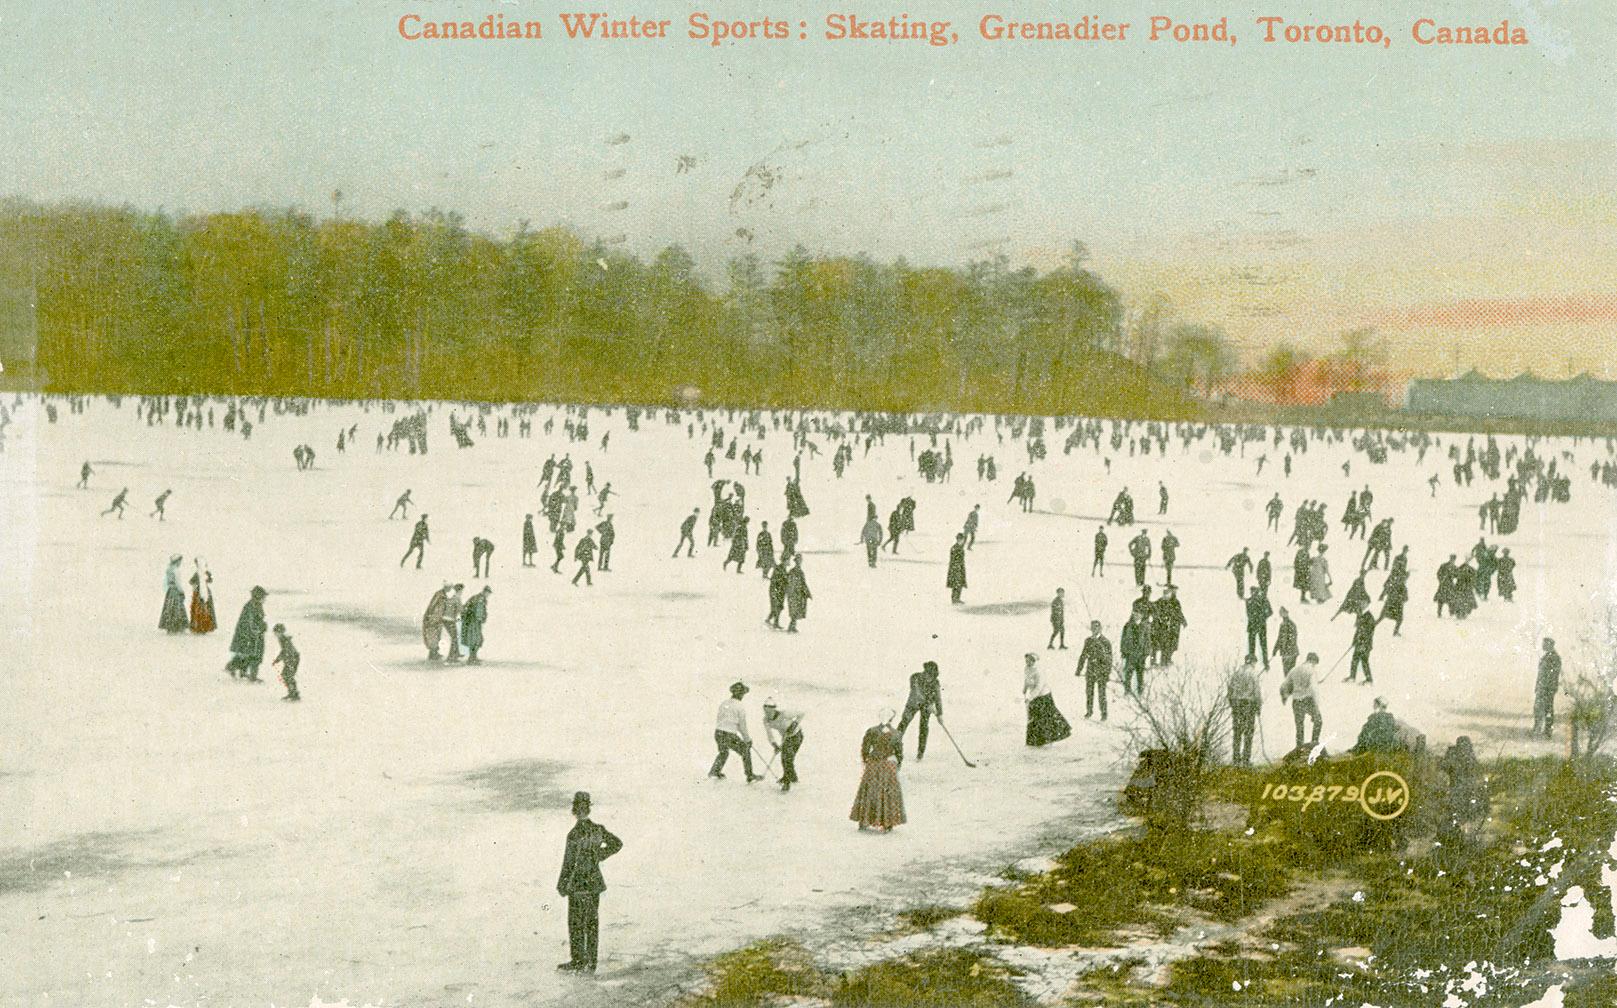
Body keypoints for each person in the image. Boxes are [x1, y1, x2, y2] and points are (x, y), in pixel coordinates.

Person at [556, 791, 623, 975]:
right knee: (592, 923)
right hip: (594, 883)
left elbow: (568, 863)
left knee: (576, 923)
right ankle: (591, 963)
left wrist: (561, 885)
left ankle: (578, 960)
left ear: (575, 810)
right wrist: (599, 856)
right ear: (588, 809)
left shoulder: (574, 834)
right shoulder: (598, 829)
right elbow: (617, 844)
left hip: (577, 885)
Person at [850, 712, 905, 832]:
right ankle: (887, 823)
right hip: (887, 766)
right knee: (887, 794)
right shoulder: (896, 733)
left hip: (874, 764)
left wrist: (866, 760)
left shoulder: (872, 731)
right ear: (892, 719)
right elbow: (899, 753)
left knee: (869, 792)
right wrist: (897, 765)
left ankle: (864, 820)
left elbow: (865, 748)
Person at [710, 681, 763, 782]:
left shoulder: (724, 703)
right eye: (743, 693)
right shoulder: (740, 706)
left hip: (718, 733)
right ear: (741, 694)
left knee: (723, 753)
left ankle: (714, 771)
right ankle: (750, 775)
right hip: (729, 735)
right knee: (745, 751)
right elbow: (742, 726)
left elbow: (723, 720)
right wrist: (747, 739)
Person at [1023, 653, 1072, 747]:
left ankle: (1049, 739)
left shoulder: (1039, 672)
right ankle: (1035, 741)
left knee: (1045, 719)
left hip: (1044, 697)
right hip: (1034, 696)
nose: (1027, 662)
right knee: (1034, 718)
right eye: (1026, 660)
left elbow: (1039, 687)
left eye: (1029, 660)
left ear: (1033, 661)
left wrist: (1030, 697)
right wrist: (1024, 688)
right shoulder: (1026, 668)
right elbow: (1026, 679)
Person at [897, 661, 943, 760]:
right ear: (925, 672)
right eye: (928, 674)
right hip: (913, 704)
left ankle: (920, 753)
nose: (930, 678)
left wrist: (939, 714)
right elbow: (916, 692)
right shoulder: (915, 677)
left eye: (932, 676)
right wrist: (928, 703)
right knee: (904, 723)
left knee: (924, 727)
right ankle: (893, 747)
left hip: (926, 707)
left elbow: (938, 698)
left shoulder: (935, 682)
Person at [1280, 652, 1323, 751]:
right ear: (1313, 661)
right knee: (1318, 721)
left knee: (1299, 726)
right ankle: (1314, 745)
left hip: (1296, 701)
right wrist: (1316, 708)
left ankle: (1299, 748)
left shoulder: (1294, 670)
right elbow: (1314, 690)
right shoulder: (1311, 671)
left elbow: (1284, 686)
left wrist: (1285, 697)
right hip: (1308, 700)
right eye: (1315, 664)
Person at [226, 586, 269, 681]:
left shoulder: (256, 605)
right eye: (263, 597)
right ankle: (247, 674)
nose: (265, 599)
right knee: (253, 656)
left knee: (248, 655)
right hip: (249, 636)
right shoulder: (250, 606)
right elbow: (249, 623)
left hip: (253, 636)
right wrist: (258, 629)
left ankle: (238, 670)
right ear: (258, 596)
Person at [762, 700, 805, 792]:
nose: (767, 713)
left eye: (769, 711)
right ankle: (792, 778)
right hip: (785, 738)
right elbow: (770, 734)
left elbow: (801, 713)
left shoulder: (784, 714)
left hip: (796, 735)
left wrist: (794, 724)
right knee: (786, 758)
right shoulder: (766, 720)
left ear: (774, 709)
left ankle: (786, 781)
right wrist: (774, 745)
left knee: (787, 758)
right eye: (765, 711)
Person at [1075, 621, 1114, 720]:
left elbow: (1109, 659)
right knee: (1089, 692)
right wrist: (1079, 669)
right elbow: (1083, 655)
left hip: (1101, 671)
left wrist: (1107, 673)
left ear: (1100, 628)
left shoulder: (1105, 641)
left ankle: (1104, 714)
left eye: (1096, 628)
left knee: (1102, 694)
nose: (1094, 630)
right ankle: (1089, 711)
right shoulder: (1088, 641)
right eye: (1092, 628)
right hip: (1090, 670)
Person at [1227, 657, 1262, 767]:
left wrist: (1232, 703)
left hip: (1237, 704)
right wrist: (1258, 707)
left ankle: (1236, 759)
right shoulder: (1253, 673)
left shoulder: (1236, 673)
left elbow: (1230, 689)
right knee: (1248, 732)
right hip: (1248, 704)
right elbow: (1257, 692)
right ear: (1253, 662)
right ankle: (1246, 759)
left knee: (1237, 731)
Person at [1534, 637, 1561, 738]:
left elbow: (1553, 675)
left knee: (1548, 709)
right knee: (1538, 708)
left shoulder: (1555, 658)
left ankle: (1548, 731)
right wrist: (1537, 686)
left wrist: (1547, 687)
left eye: (1544, 644)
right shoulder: (1546, 656)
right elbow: (1540, 674)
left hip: (1548, 688)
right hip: (1542, 687)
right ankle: (1538, 728)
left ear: (1550, 645)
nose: (1542, 646)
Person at [1119, 611, 1148, 696]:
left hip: (1140, 655)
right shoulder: (1127, 626)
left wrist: (1146, 653)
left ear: (1142, 615)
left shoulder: (1145, 626)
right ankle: (1127, 691)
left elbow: (1147, 641)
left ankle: (1140, 692)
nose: (1136, 616)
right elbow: (1123, 639)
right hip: (1130, 654)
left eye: (1138, 614)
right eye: (1135, 614)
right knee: (1128, 674)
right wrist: (1123, 651)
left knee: (1140, 675)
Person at [159, 555, 188, 634]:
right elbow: (178, 583)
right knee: (177, 608)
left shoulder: (168, 570)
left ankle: (170, 626)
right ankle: (176, 627)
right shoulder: (176, 570)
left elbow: (165, 582)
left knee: (170, 608)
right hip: (175, 591)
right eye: (180, 561)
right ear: (177, 561)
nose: (180, 563)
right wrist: (182, 591)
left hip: (170, 591)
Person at [271, 624, 301, 701]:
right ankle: (293, 692)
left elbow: (286, 651)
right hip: (290, 659)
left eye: (276, 633)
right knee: (286, 675)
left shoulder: (285, 640)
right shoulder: (282, 639)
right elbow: (284, 651)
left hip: (292, 659)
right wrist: (277, 660)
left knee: (287, 676)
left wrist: (279, 660)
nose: (275, 635)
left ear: (280, 632)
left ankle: (293, 693)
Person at [462, 586, 491, 663]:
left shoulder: (477, 597)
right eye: (488, 593)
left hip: (472, 621)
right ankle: (472, 659)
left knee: (476, 639)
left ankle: (473, 657)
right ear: (485, 592)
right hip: (474, 622)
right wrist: (481, 619)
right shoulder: (480, 599)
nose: (488, 595)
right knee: (475, 639)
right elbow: (479, 611)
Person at [1347, 608, 1378, 683]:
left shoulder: (1369, 617)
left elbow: (1369, 633)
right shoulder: (1361, 616)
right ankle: (1352, 677)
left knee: (1364, 661)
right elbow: (1358, 631)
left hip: (1365, 644)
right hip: (1359, 643)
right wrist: (1354, 641)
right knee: (1355, 659)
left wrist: (1363, 643)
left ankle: (1369, 680)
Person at [1244, 588, 1272, 669]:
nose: (1253, 593)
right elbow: (1248, 613)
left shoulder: (1263, 600)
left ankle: (1265, 662)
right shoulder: (1249, 601)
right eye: (1251, 592)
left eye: (1254, 592)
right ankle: (1252, 662)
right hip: (1254, 626)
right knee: (1253, 646)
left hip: (1259, 625)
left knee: (1262, 645)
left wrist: (1262, 617)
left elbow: (1270, 612)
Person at [422, 583, 450, 660]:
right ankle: (432, 654)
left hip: (438, 619)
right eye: (449, 588)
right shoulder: (439, 595)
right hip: (433, 619)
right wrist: (430, 617)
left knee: (436, 636)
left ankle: (434, 653)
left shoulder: (443, 595)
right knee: (433, 636)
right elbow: (432, 606)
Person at [784, 555, 811, 632]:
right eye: (798, 560)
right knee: (794, 610)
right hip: (794, 593)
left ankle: (793, 626)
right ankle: (791, 627)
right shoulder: (793, 571)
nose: (800, 562)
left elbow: (803, 583)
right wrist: (792, 592)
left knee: (797, 610)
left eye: (800, 560)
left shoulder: (800, 571)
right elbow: (790, 583)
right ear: (796, 561)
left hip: (799, 593)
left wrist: (807, 592)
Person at [188, 565, 217, 634]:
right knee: (205, 609)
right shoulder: (205, 573)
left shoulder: (198, 573)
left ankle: (199, 626)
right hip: (204, 593)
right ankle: (204, 626)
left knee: (199, 609)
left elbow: (191, 582)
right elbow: (211, 580)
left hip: (198, 593)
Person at [442, 584, 465, 663]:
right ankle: (451, 657)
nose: (462, 592)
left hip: (446, 619)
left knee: (455, 636)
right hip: (450, 620)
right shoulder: (457, 598)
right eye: (462, 590)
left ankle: (456, 653)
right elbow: (460, 610)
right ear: (459, 590)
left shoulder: (452, 596)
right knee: (454, 637)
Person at [1274, 607, 1299, 673]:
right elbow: (1280, 638)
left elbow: (1293, 638)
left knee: (1290, 673)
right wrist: (1275, 649)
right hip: (1286, 653)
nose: (1282, 615)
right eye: (1281, 614)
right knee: (1287, 673)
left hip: (1290, 652)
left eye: (1283, 613)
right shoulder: (1282, 624)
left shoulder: (1291, 624)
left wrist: (1287, 650)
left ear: (1286, 613)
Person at [766, 559, 788, 629]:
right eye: (787, 560)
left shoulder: (784, 569)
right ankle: (775, 622)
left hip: (780, 591)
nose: (788, 562)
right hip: (775, 590)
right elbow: (774, 579)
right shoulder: (779, 568)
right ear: (784, 561)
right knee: (777, 607)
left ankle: (769, 620)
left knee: (777, 607)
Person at [947, 533, 968, 603]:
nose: (963, 541)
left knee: (959, 584)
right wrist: (957, 567)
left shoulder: (959, 547)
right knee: (956, 584)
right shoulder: (955, 548)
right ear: (959, 539)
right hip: (955, 568)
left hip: (959, 567)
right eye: (962, 539)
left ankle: (957, 598)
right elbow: (954, 559)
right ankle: (954, 599)